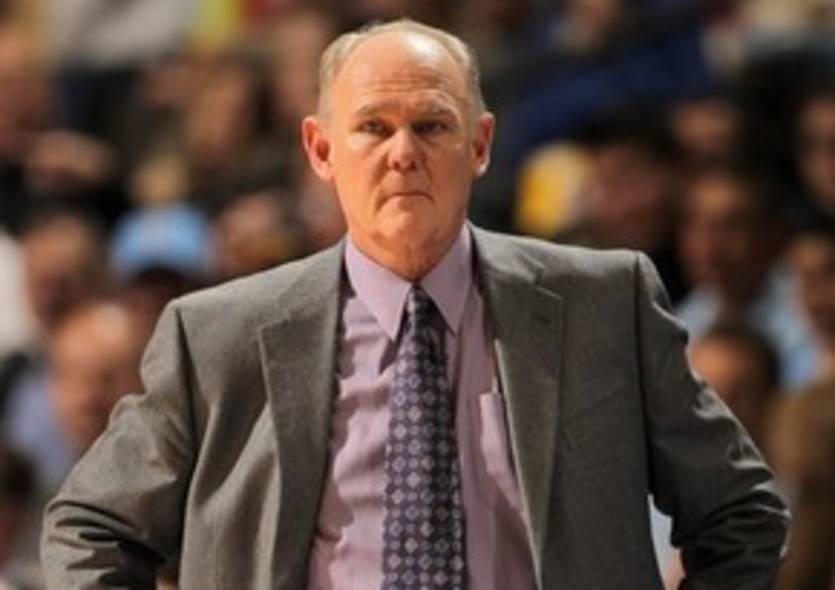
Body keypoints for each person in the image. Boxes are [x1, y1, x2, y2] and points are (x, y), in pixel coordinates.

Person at [42, 19, 788, 589]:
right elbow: (90, 527)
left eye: (431, 125)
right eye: (373, 127)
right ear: (321, 150)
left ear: (480, 144)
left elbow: (741, 512)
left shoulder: (604, 304)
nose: (403, 152)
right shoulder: (215, 335)